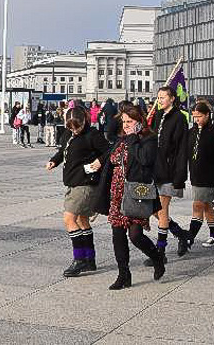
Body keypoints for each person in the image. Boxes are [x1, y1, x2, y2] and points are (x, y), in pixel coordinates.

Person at [92, 103, 165, 289]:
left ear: (139, 121)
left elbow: (145, 159)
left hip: (136, 191)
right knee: (117, 234)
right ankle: (123, 274)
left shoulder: (148, 139)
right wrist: (99, 162)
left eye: (130, 121)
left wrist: (134, 136)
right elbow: (110, 154)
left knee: (135, 235)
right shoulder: (122, 139)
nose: (126, 125)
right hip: (117, 192)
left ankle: (156, 257)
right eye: (124, 121)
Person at [47, 106, 110, 277]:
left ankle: (79, 259)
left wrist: (99, 161)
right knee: (82, 220)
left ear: (85, 121)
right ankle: (90, 259)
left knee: (69, 219)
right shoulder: (68, 134)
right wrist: (54, 161)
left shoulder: (92, 135)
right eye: (71, 127)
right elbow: (63, 151)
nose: (74, 130)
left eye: (78, 127)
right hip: (74, 182)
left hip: (85, 184)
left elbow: (110, 150)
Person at [148, 86, 189, 262]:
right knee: (153, 210)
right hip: (155, 170)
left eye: (163, 97)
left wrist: (180, 175)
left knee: (162, 210)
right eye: (158, 97)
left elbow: (182, 149)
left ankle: (160, 252)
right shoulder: (158, 115)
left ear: (172, 98)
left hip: (169, 171)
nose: (160, 100)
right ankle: (181, 234)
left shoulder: (179, 118)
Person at [185, 101, 214, 249]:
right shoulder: (192, 132)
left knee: (198, 206)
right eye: (194, 116)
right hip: (195, 176)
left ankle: (189, 238)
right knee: (207, 206)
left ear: (207, 115)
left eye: (200, 116)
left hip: (209, 176)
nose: (197, 119)